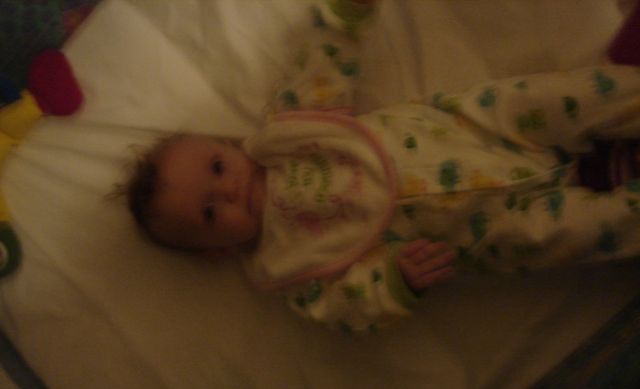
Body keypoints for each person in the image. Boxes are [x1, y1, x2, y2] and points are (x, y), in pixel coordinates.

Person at [120, 0, 640, 333]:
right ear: (218, 251)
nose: (230, 191)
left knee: (553, 97)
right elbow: (345, 305)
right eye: (211, 213)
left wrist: (345, 17)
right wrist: (394, 281)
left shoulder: (288, 133)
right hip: (482, 229)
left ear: (228, 145)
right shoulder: (290, 268)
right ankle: (616, 194)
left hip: (478, 129)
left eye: (217, 168)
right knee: (571, 232)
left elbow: (322, 65)